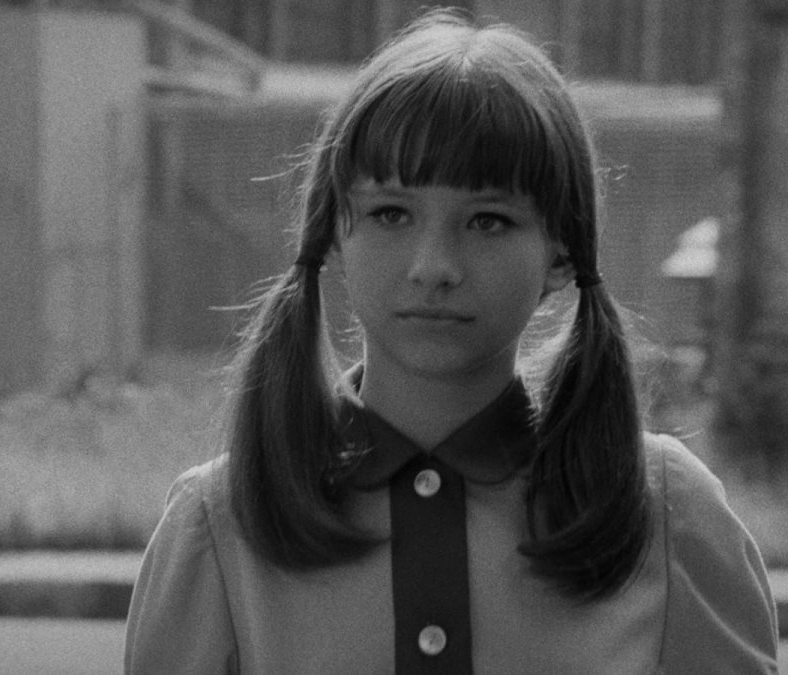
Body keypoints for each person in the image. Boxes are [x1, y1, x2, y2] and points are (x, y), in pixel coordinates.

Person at [124, 9, 781, 674]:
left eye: (488, 221)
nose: (433, 266)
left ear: (561, 252)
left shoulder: (665, 512)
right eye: (391, 213)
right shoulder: (221, 523)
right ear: (333, 236)